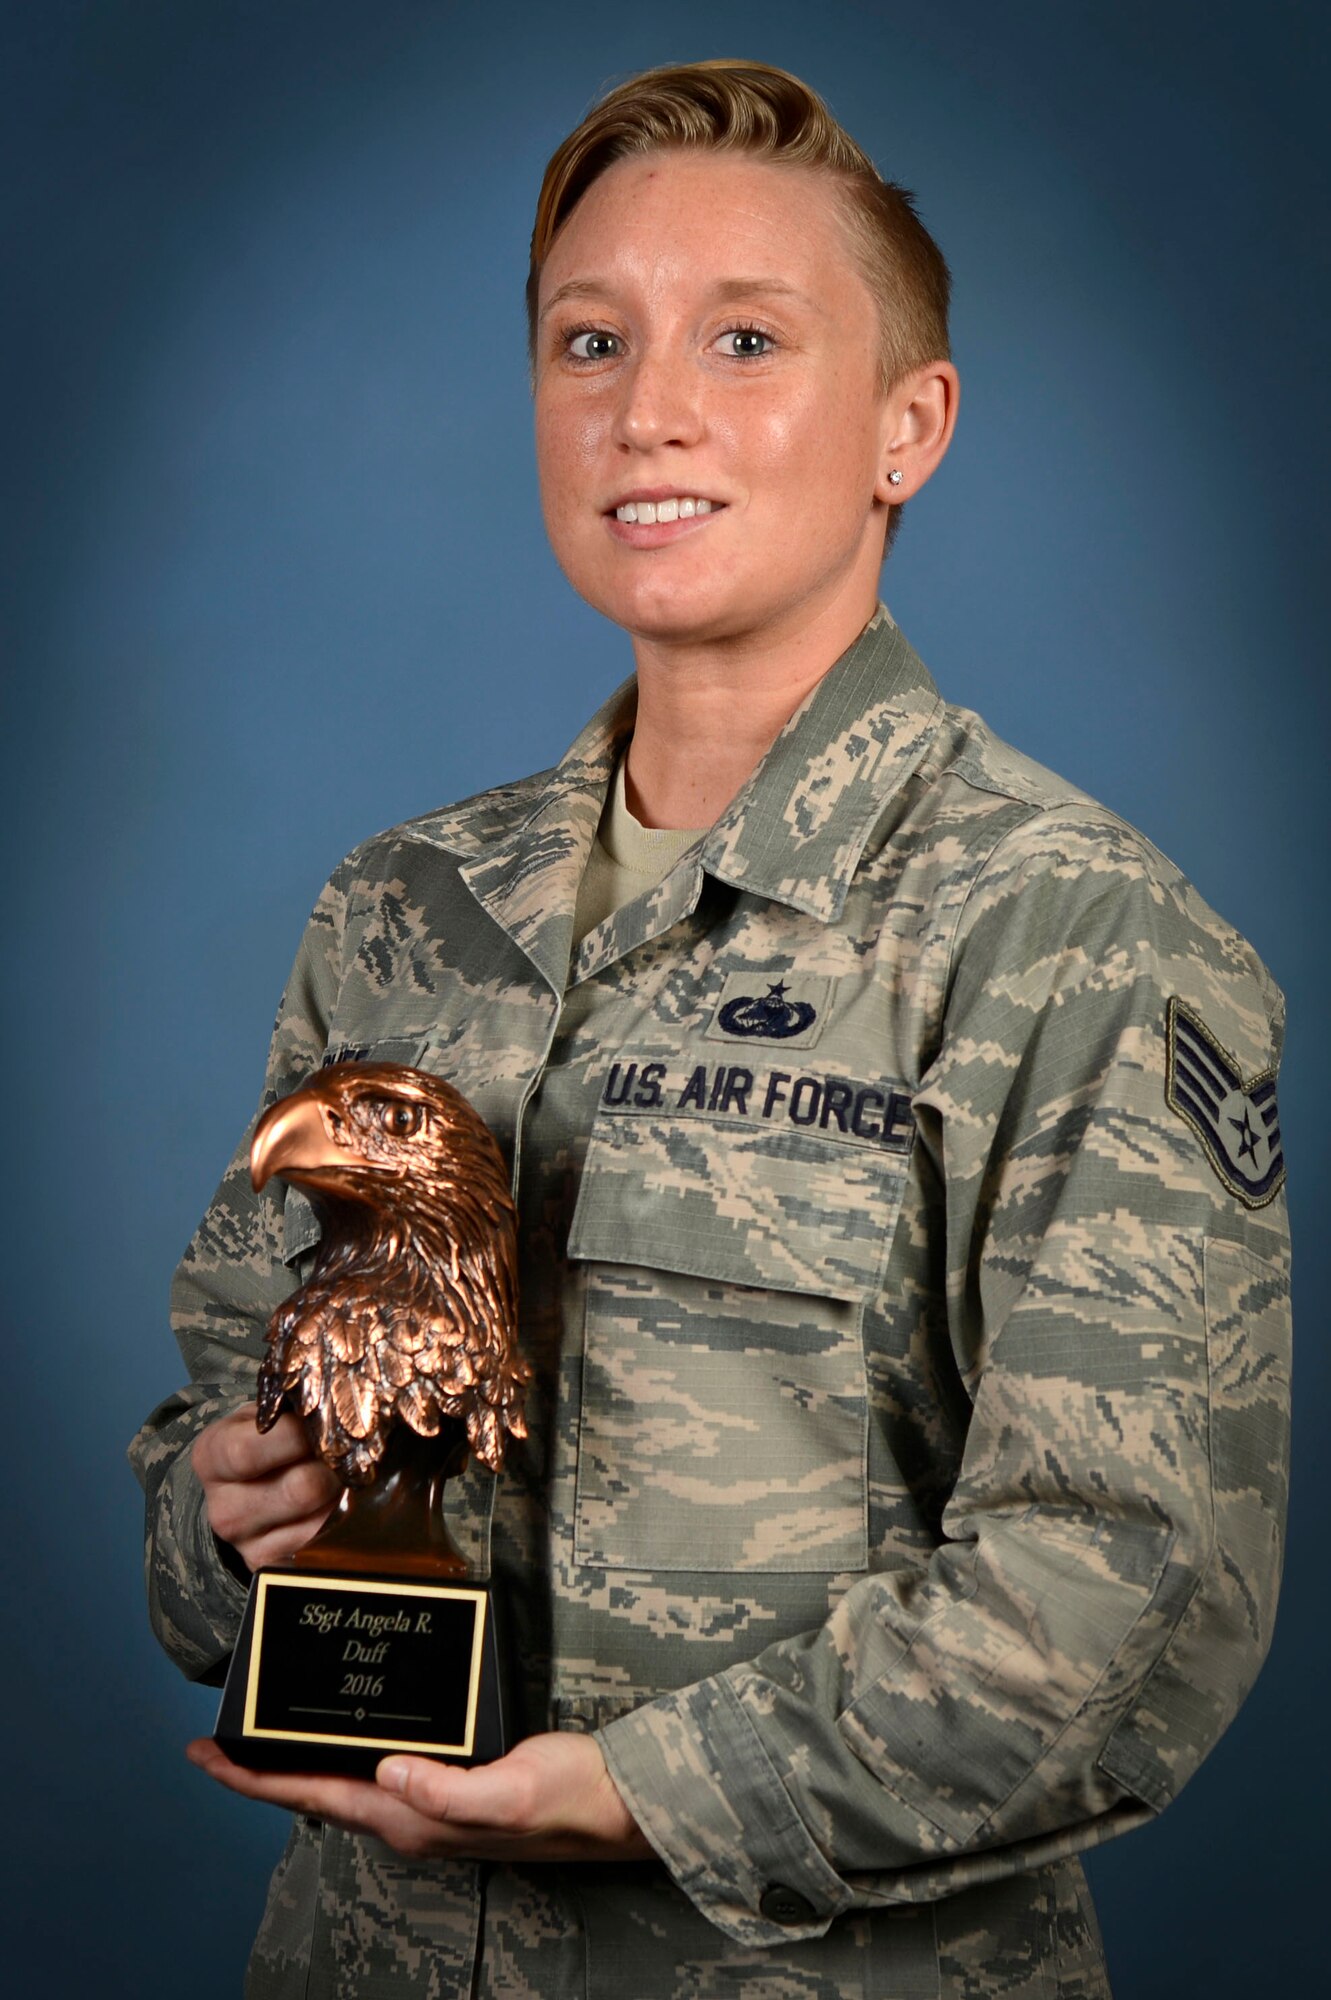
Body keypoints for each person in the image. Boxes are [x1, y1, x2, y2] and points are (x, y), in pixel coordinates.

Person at [130, 57, 1292, 2000]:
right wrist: (221, 1524)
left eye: (745, 339)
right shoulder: (401, 908)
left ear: (906, 426)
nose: (646, 409)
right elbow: (204, 1455)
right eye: (591, 342)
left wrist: (643, 1790)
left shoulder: (1070, 933)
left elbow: (1125, 1588)